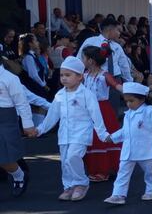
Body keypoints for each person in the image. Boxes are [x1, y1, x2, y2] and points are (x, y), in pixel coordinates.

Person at [35, 56, 111, 201]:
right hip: (64, 134)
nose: (64, 78)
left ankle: (81, 183)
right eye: (62, 75)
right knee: (65, 160)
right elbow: (52, 116)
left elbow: (96, 115)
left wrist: (102, 133)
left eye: (68, 75)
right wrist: (40, 129)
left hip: (81, 133)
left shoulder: (87, 95)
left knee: (73, 156)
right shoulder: (59, 95)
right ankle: (68, 186)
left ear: (80, 77)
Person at [104, 83, 152, 205]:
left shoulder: (148, 111)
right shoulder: (128, 114)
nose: (128, 104)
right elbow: (125, 131)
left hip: (147, 150)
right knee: (122, 172)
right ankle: (118, 194)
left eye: (131, 101)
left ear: (142, 99)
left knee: (151, 173)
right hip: (128, 150)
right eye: (126, 101)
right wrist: (112, 137)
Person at [81, 45, 123, 182]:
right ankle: (96, 169)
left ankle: (105, 169)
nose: (82, 60)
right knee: (91, 139)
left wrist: (134, 92)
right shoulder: (84, 76)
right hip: (88, 110)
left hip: (102, 110)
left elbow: (118, 87)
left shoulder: (104, 75)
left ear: (91, 61)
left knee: (101, 139)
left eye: (84, 58)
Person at [0, 59, 36, 196]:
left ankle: (19, 175)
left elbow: (21, 102)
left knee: (5, 157)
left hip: (6, 118)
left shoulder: (10, 78)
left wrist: (28, 124)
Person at [77, 17, 133, 84]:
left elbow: (124, 66)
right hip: (95, 78)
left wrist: (129, 82)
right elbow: (79, 60)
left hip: (115, 79)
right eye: (118, 30)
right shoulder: (90, 42)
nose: (119, 33)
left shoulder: (117, 46)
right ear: (110, 30)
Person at [19, 33, 49, 98]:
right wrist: (43, 85)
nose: (37, 43)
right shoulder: (28, 57)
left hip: (38, 86)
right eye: (35, 41)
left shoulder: (33, 56)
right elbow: (33, 75)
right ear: (30, 43)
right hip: (34, 87)